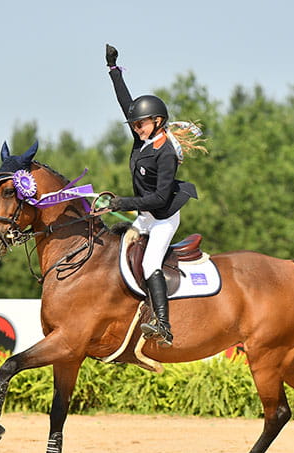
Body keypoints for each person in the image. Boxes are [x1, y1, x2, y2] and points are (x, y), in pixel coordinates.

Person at [104, 43, 205, 347]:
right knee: (115, 250)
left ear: (157, 122)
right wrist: (113, 70)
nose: (136, 128)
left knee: (150, 265)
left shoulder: (165, 154)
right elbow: (127, 103)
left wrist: (122, 203)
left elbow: (160, 200)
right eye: (134, 125)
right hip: (144, 216)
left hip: (162, 218)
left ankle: (163, 324)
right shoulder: (143, 141)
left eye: (141, 123)